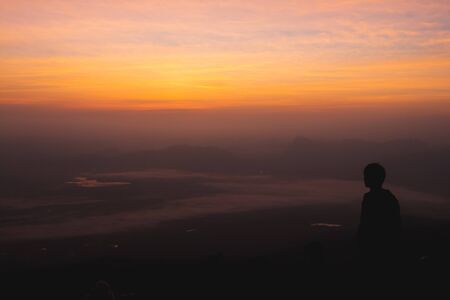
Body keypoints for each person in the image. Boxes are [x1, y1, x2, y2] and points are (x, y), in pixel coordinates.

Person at [357, 163, 401, 263]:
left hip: (375, 249)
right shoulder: (389, 197)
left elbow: (366, 224)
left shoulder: (371, 198)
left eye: (367, 175)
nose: (364, 178)